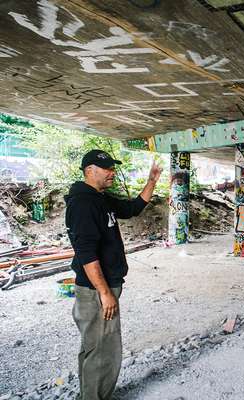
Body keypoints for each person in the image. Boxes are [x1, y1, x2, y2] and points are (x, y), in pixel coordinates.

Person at [65, 149, 162, 400]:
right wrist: (105, 293)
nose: (112, 172)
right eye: (106, 168)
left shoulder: (100, 198)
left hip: (104, 287)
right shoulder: (83, 203)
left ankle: (89, 395)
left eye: (112, 167)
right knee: (103, 350)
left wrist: (151, 181)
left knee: (95, 347)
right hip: (97, 290)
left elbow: (132, 209)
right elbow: (86, 253)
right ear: (89, 171)